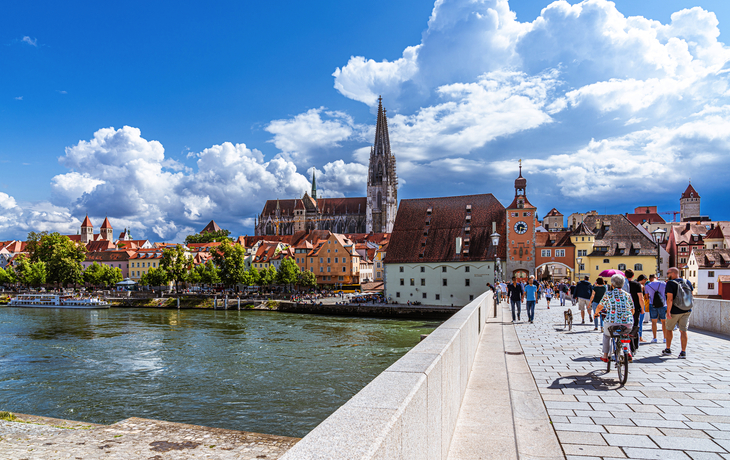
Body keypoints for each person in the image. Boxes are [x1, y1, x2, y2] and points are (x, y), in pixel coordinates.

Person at [594, 274, 635, 363]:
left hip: (611, 321)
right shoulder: (627, 295)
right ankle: (627, 352)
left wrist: (596, 313)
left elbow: (600, 306)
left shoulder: (608, 294)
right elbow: (632, 310)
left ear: (612, 284)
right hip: (627, 321)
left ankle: (605, 355)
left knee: (607, 335)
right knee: (625, 334)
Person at [664, 267, 693, 359]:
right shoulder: (687, 282)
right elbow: (691, 295)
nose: (667, 275)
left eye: (668, 273)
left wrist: (668, 312)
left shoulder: (670, 283)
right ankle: (683, 352)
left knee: (669, 329)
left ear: (673, 273)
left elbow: (670, 299)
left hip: (675, 311)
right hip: (686, 310)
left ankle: (668, 349)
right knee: (683, 330)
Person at [644, 274, 667, 344]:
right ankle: (665, 338)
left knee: (654, 322)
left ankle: (654, 338)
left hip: (653, 304)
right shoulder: (663, 284)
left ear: (649, 279)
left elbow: (647, 297)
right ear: (656, 277)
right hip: (663, 305)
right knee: (664, 322)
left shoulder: (647, 286)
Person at [625, 269, 643, 353]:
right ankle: (634, 347)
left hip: (625, 309)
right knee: (635, 326)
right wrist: (642, 308)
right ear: (633, 276)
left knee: (626, 327)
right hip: (635, 308)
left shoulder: (623, 285)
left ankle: (628, 345)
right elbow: (640, 297)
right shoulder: (637, 284)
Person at [636, 274, 648, 343]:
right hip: (640, 305)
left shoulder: (633, 284)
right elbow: (642, 298)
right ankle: (640, 337)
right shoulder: (641, 286)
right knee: (640, 322)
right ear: (643, 280)